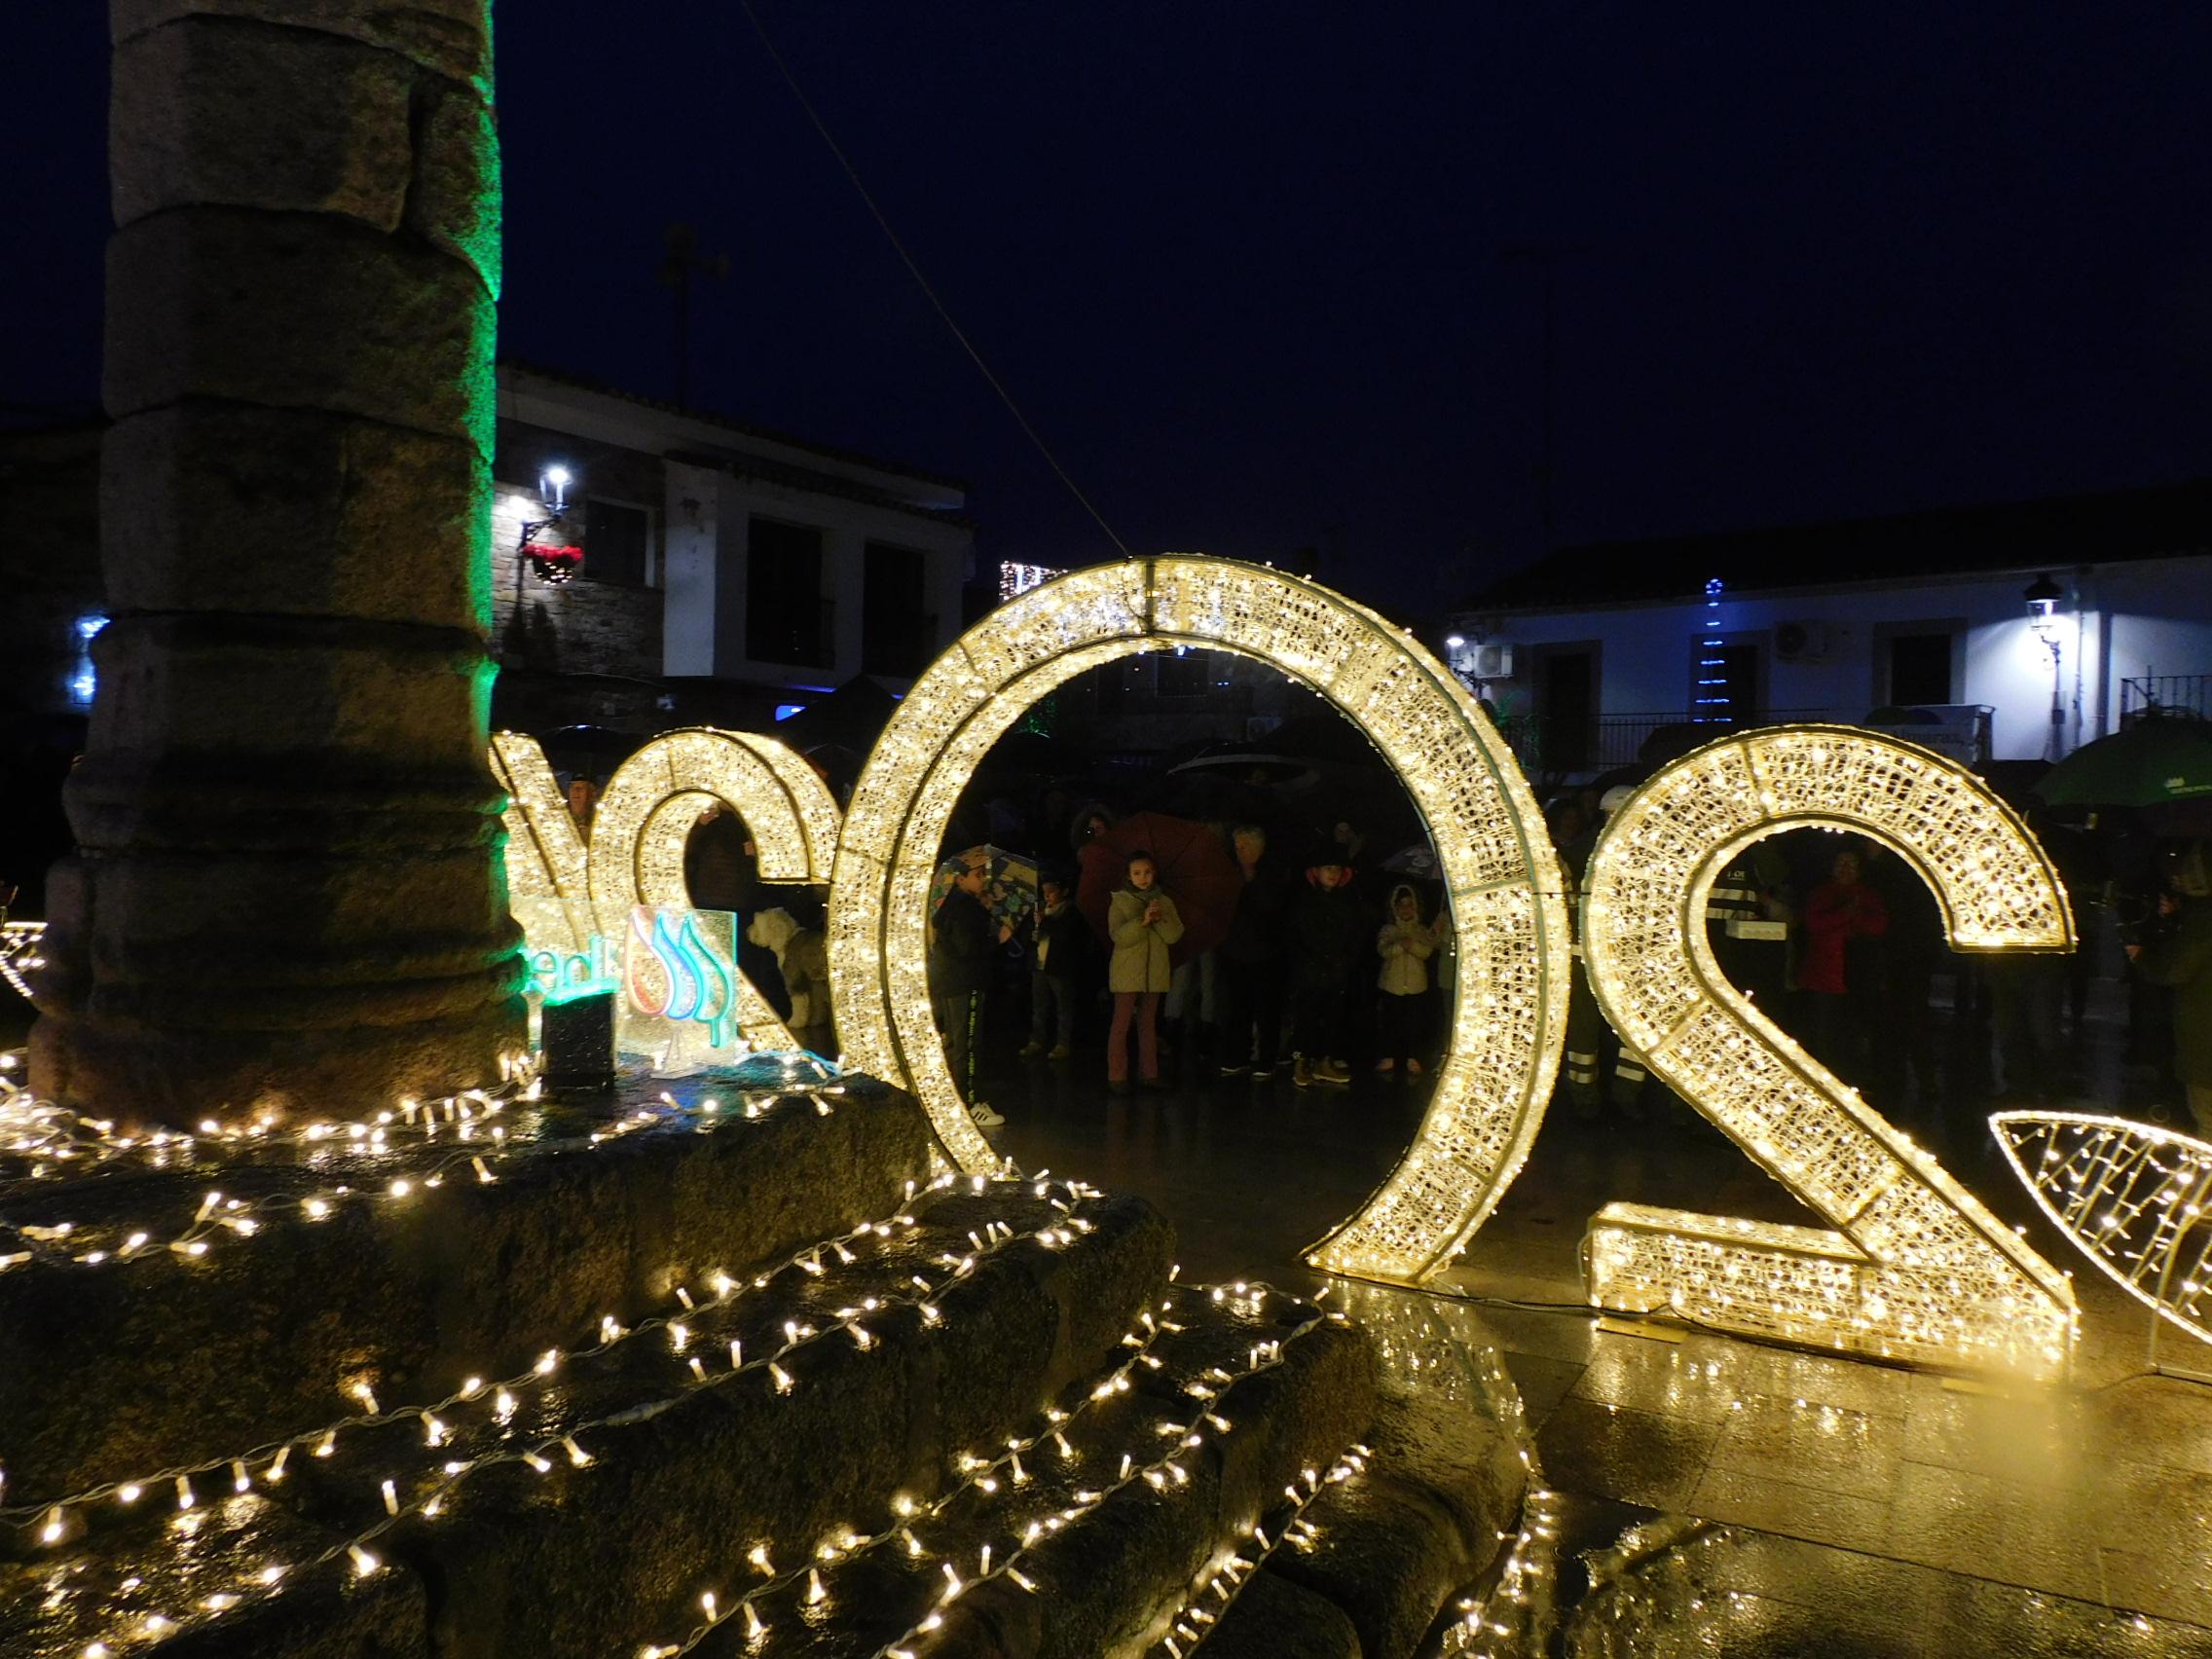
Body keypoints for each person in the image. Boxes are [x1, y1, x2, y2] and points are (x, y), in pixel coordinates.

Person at [2127, 841, 2212, 1135]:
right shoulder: (2200, 918)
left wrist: (2142, 956)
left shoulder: (2204, 921)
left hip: (2206, 1048)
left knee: (2208, 1123)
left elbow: (2174, 968)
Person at [931, 858, 1013, 1127]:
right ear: (960, 879)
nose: (983, 880)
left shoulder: (951, 906)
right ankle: (970, 1103)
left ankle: (957, 1098)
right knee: (967, 1044)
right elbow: (969, 948)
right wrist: (996, 939)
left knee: (955, 1042)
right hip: (967, 982)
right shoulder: (966, 909)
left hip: (950, 981)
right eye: (977, 875)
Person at [1797, 842, 1890, 1081]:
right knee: (1822, 1036)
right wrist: (1846, 914)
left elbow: (1877, 926)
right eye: (1841, 863)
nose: (1846, 869)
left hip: (1858, 980)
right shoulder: (1820, 893)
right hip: (1822, 978)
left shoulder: (1869, 895)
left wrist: (1851, 917)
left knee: (1851, 1036)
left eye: (1852, 864)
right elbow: (1815, 924)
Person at [1106, 852, 1183, 1093]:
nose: (1143, 878)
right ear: (1128, 876)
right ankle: (1117, 1075)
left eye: (1147, 872)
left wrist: (1159, 918)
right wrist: (1142, 921)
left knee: (1148, 1023)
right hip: (1128, 972)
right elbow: (1118, 936)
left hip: (1155, 972)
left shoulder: (1165, 902)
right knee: (1122, 1023)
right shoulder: (1120, 901)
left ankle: (1149, 1073)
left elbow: (1174, 935)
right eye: (1137, 873)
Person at [1290, 845, 1366, 1089]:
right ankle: (1303, 1062)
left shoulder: (1347, 902)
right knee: (1307, 1015)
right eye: (1327, 868)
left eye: (1336, 869)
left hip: (1336, 970)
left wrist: (1345, 959)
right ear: (1316, 872)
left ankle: (1325, 1061)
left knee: (1332, 1015)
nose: (1332, 873)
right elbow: (1296, 935)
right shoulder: (1305, 900)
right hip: (1310, 969)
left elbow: (1355, 934)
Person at [1217, 825, 1288, 1080]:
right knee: (1237, 1007)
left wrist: (1251, 876)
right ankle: (1238, 1054)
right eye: (1236, 846)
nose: (1239, 851)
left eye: (1244, 845)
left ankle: (1266, 1057)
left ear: (1258, 846)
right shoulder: (1230, 869)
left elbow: (1272, 906)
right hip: (1235, 949)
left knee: (1266, 1009)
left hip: (1265, 951)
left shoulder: (1274, 870)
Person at [746, 906, 831, 1057]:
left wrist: (798, 1021)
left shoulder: (793, 951)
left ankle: (800, 1017)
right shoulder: (802, 940)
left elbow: (796, 987)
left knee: (796, 985)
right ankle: (816, 1016)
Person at [1374, 883, 1437, 1079]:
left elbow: (1427, 951)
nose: (1406, 909)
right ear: (1395, 907)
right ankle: (1389, 1055)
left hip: (1416, 986)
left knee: (1413, 1023)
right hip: (1392, 986)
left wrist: (1413, 945)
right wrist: (1400, 945)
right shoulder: (1389, 930)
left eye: (1410, 905)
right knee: (1391, 1021)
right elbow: (1383, 951)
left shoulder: (1420, 930)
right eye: (1401, 905)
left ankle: (1412, 1056)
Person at [1019, 876, 1084, 1061]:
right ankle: (1037, 1040)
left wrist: (1045, 922)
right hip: (1039, 965)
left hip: (1059, 967)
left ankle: (1063, 1044)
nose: (1047, 896)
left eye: (1051, 891)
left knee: (1063, 1007)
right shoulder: (1039, 910)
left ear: (1063, 891)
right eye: (1044, 892)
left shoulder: (1070, 912)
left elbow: (1066, 936)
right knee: (1038, 1006)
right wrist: (1032, 934)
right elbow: (1027, 935)